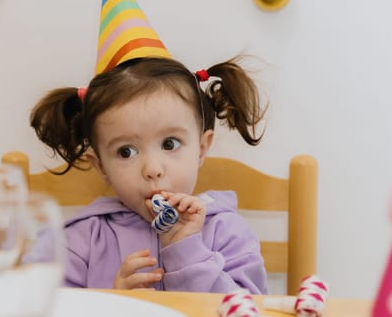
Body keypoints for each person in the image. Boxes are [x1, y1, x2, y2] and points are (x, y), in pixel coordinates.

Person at [28, 55, 268, 294]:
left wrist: (188, 254)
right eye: (126, 151)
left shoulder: (228, 231)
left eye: (170, 144)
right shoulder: (76, 243)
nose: (152, 169)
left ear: (201, 148)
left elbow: (248, 309)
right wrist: (111, 306)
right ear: (100, 165)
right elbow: (36, 305)